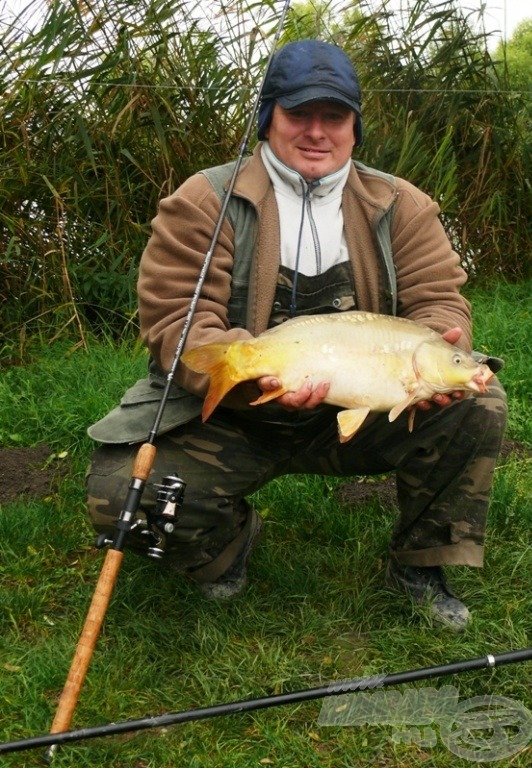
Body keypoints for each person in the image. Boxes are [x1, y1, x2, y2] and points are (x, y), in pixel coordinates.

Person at [86, 39, 507, 632]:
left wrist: (438, 340)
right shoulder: (205, 201)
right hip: (237, 411)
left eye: (333, 116)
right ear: (269, 118)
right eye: (298, 114)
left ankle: (422, 562)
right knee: (116, 493)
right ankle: (227, 546)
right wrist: (253, 375)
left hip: (365, 405)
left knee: (479, 400)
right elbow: (178, 324)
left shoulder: (400, 204)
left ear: (354, 126)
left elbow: (437, 298)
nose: (317, 131)